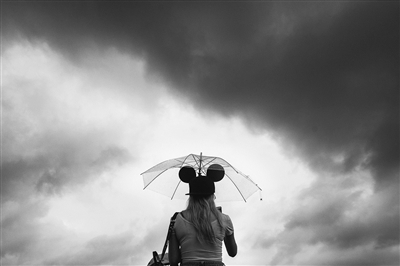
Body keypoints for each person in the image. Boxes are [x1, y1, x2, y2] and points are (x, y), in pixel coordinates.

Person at [168, 165, 237, 266]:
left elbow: (173, 261)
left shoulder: (177, 219)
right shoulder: (224, 219)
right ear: (212, 196)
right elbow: (232, 252)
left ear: (191, 196)